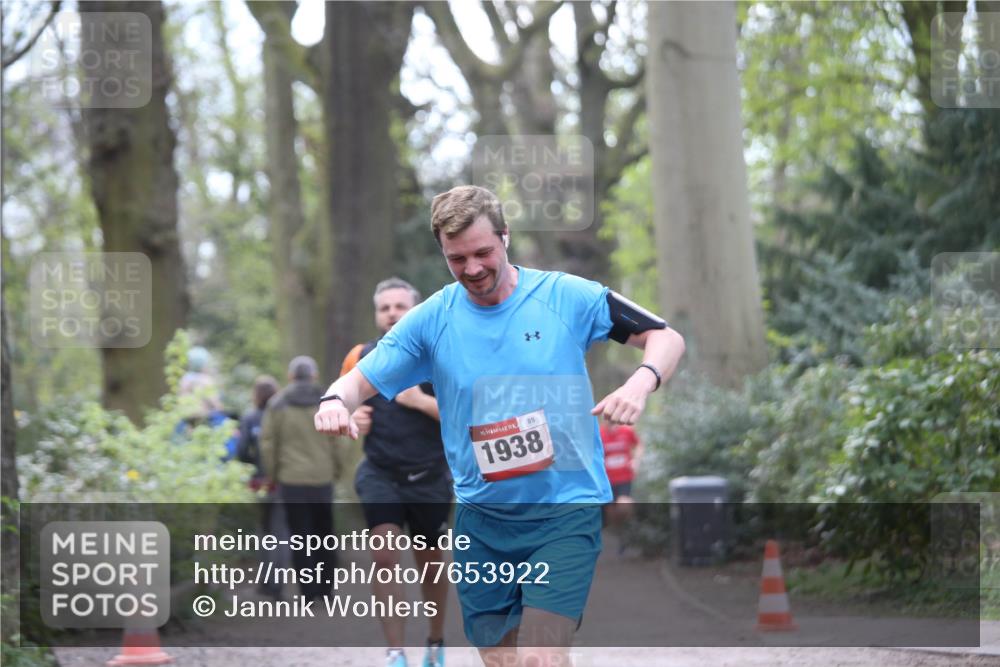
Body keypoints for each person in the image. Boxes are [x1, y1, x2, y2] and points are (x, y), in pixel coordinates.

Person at [315, 185, 685, 667]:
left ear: (505, 237)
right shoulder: (430, 321)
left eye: (483, 252)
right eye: (457, 258)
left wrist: (640, 383)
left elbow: (665, 336)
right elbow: (355, 382)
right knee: (503, 660)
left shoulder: (564, 296)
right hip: (482, 522)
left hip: (563, 513)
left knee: (540, 656)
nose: (472, 269)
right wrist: (332, 402)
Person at [340, 277, 451, 667]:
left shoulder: (439, 356)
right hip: (380, 471)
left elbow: (465, 418)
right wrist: (354, 417)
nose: (391, 314)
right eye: (384, 307)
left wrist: (420, 401)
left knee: (431, 562)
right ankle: (394, 653)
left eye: (399, 306)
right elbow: (344, 406)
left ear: (415, 311)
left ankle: (435, 642)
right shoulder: (360, 357)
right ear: (376, 314)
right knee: (384, 553)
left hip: (431, 475)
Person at [261, 355, 341, 601]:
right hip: (322, 477)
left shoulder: (277, 404)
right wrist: (336, 470)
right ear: (314, 376)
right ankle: (326, 590)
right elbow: (338, 440)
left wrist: (272, 474)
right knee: (324, 534)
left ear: (290, 376)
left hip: (291, 479)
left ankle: (308, 591)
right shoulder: (328, 401)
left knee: (300, 536)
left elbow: (268, 444)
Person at [235, 375, 290, 599]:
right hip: (283, 481)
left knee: (263, 533)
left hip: (258, 482)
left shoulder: (250, 418)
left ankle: (266, 583)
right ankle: (278, 585)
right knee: (281, 534)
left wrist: (253, 466)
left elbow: (240, 452)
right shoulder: (284, 416)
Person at [599, 422, 643, 529]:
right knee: (611, 513)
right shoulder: (599, 433)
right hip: (607, 480)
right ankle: (616, 535)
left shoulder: (626, 431)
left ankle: (630, 526)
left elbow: (639, 445)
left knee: (623, 506)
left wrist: (636, 460)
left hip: (624, 477)